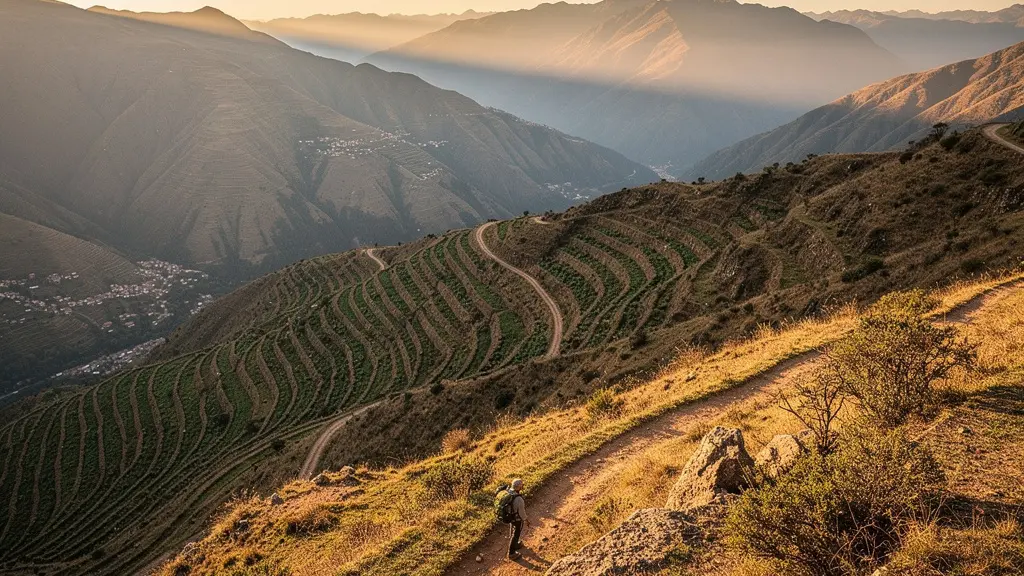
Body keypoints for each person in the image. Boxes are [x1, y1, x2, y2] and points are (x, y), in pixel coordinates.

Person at [507, 478, 530, 558]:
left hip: (510, 516)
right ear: (519, 487)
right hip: (517, 519)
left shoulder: (509, 492)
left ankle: (515, 544)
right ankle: (511, 553)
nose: (522, 486)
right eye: (521, 485)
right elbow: (522, 513)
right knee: (516, 534)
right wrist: (526, 520)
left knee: (514, 531)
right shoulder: (519, 499)